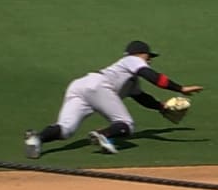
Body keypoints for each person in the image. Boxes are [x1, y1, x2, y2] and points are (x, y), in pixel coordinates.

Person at [24, 40, 204, 157]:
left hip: (80, 86)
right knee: (126, 124)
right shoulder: (132, 60)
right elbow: (152, 76)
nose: (149, 60)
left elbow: (141, 97)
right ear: (140, 54)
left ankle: (36, 139)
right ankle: (103, 135)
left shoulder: (130, 79)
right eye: (149, 56)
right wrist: (180, 88)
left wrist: (160, 107)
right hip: (99, 85)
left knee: (66, 130)